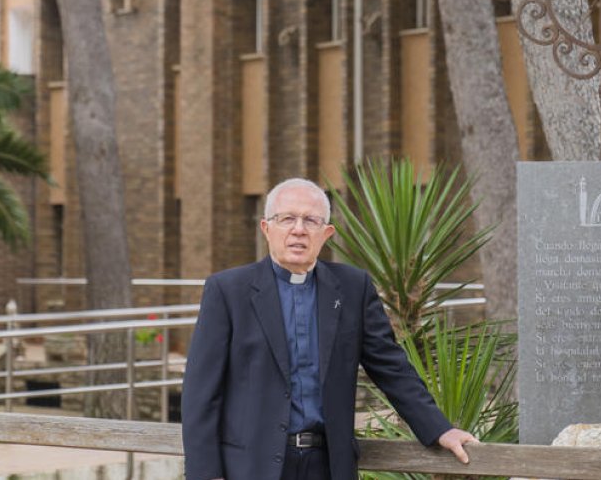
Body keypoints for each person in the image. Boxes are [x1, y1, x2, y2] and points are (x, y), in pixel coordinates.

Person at [181, 177, 477, 480]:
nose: (299, 229)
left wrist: (440, 429)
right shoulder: (228, 290)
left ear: (327, 233)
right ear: (266, 228)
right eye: (287, 219)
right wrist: (205, 473)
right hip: (250, 467)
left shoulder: (352, 288)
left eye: (311, 220)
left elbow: (391, 367)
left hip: (328, 465)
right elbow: (201, 392)